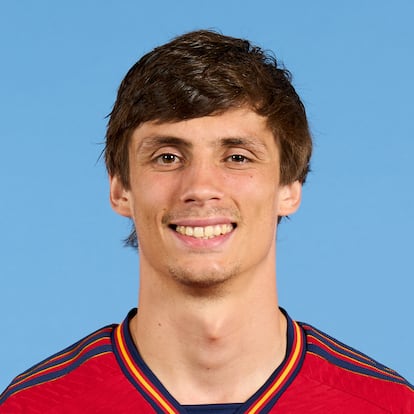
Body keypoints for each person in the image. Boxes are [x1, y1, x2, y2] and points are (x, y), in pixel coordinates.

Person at [0, 30, 412, 413]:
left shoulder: (387, 404)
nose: (200, 187)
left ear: (290, 187)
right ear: (120, 189)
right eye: (167, 157)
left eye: (237, 157)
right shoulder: (32, 406)